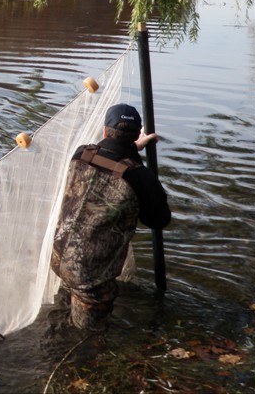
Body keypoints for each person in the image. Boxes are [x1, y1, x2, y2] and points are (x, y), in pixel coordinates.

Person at [51, 103, 171, 332]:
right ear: (137, 134)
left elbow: (110, 158)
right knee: (87, 340)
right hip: (91, 277)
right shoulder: (140, 177)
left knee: (62, 320)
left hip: (59, 256)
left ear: (105, 131)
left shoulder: (81, 154)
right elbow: (159, 220)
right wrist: (139, 161)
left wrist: (133, 148)